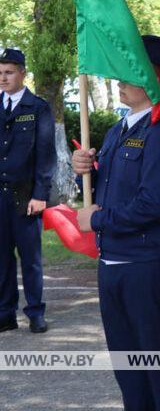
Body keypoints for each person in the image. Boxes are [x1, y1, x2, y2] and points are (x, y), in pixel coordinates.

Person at [71, 35, 160, 410]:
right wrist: (83, 174)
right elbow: (107, 187)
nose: (120, 80)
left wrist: (100, 219)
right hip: (113, 264)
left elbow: (153, 203)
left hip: (148, 265)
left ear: (153, 78)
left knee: (159, 367)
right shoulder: (118, 131)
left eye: (129, 72)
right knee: (128, 369)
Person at [0, 47, 56, 334]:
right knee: (1, 258)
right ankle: (5, 313)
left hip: (26, 195)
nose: (3, 77)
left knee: (30, 258)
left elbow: (46, 155)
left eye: (9, 72)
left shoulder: (38, 108)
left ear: (23, 73)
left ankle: (35, 312)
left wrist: (40, 194)